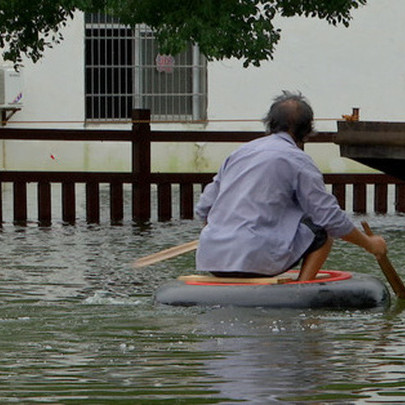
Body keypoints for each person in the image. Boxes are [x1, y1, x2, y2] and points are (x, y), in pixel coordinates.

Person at [195, 91, 387, 281]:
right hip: (258, 261)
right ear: (307, 130)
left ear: (270, 123)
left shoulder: (239, 153)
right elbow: (330, 218)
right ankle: (301, 290)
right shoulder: (298, 160)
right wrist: (369, 244)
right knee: (322, 230)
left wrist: (223, 236)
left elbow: (204, 208)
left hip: (213, 259)